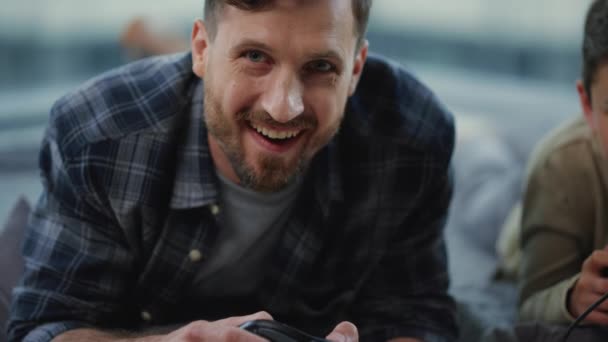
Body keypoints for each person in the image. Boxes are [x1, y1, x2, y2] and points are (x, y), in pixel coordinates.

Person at [8, 0, 458, 341]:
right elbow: (47, 326)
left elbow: (415, 314)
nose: (285, 107)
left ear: (356, 69)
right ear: (201, 49)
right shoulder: (96, 134)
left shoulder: (414, 138)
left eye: (320, 66)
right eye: (255, 57)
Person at [498, 0, 608, 326]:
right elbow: (531, 303)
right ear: (586, 104)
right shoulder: (560, 168)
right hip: (521, 228)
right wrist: (573, 297)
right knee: (484, 182)